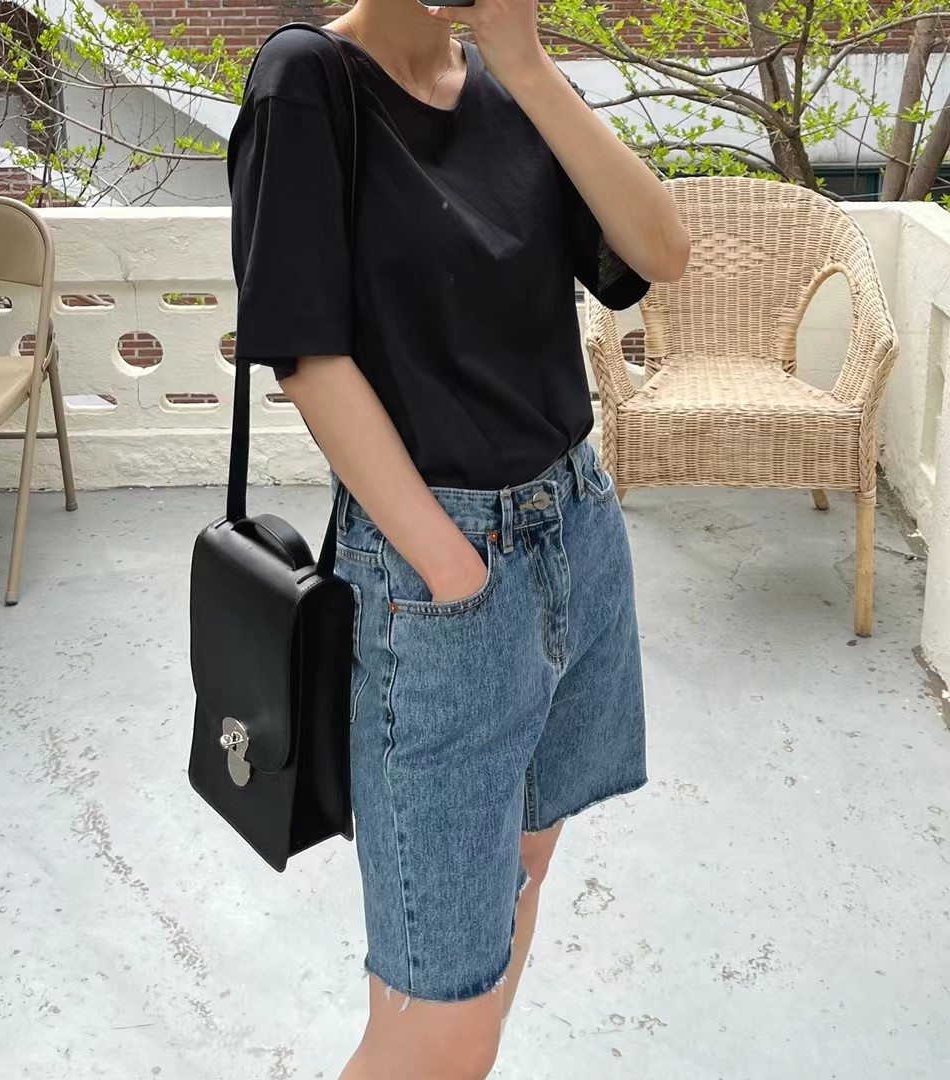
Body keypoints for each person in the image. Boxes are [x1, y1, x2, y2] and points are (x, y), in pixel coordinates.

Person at [228, 0, 689, 1074]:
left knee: (513, 894)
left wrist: (525, 65)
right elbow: (307, 358)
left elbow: (660, 251)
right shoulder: (308, 80)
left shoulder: (511, 86)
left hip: (577, 532)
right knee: (442, 1001)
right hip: (438, 576)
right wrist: (449, 565)